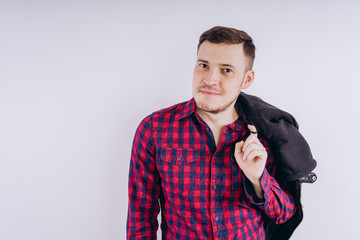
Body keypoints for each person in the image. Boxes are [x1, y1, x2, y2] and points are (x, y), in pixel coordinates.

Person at [127, 26, 316, 240]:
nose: (209, 79)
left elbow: (285, 214)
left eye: (226, 70)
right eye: (203, 65)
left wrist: (257, 179)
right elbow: (141, 217)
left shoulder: (266, 132)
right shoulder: (155, 129)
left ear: (247, 80)